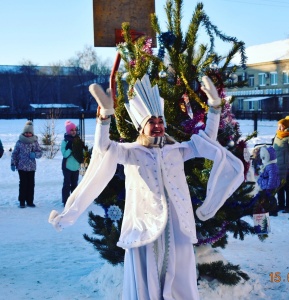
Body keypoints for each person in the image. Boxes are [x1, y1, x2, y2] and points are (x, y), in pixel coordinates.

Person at [49, 75, 244, 299]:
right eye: (152, 122)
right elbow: (104, 148)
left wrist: (214, 106)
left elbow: (208, 139)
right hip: (145, 223)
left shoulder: (177, 150)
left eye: (160, 121)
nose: (158, 126)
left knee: (179, 268)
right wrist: (104, 118)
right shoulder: (131, 152)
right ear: (142, 127)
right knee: (149, 270)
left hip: (177, 223)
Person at [11, 120, 42, 208]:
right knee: (23, 184)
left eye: (30, 133)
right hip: (21, 167)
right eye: (26, 132)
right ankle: (22, 201)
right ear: (24, 133)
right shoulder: (20, 142)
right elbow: (15, 153)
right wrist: (13, 163)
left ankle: (30, 201)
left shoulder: (34, 142)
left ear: (32, 133)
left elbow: (40, 153)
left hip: (31, 167)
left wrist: (35, 154)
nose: (28, 134)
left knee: (31, 184)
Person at [273, 117, 289, 213]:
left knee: (287, 187)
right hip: (277, 164)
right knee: (279, 187)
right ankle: (281, 204)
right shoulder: (277, 135)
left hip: (286, 166)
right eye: (278, 126)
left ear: (286, 127)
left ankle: (288, 206)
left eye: (281, 126)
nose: (279, 128)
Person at [61, 120, 85, 206]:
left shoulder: (78, 140)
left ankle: (74, 200)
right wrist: (70, 148)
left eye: (74, 130)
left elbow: (81, 152)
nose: (74, 131)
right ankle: (66, 200)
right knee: (67, 183)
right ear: (68, 131)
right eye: (71, 130)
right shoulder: (65, 142)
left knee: (75, 184)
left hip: (76, 167)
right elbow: (64, 154)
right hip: (67, 167)